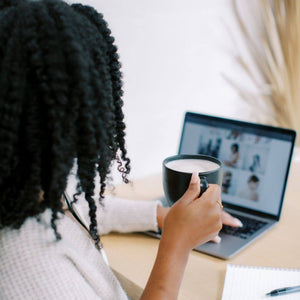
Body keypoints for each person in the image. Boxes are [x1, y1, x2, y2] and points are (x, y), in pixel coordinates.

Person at [0, 1, 242, 299]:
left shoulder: (22, 187)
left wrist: (162, 217)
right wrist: (176, 246)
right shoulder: (29, 263)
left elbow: (75, 203)